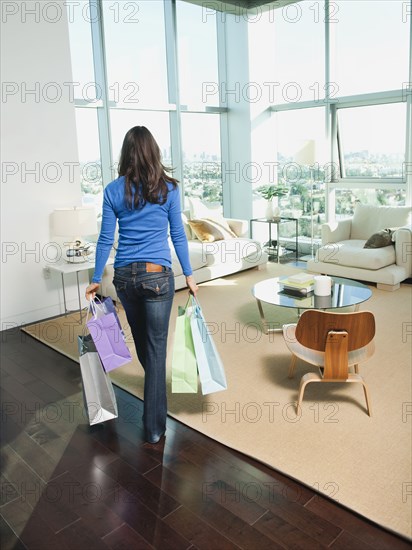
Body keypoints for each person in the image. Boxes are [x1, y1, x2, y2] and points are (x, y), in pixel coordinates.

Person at [85, 126, 198, 444]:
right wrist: (188, 274)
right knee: (156, 349)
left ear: (126, 154)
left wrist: (96, 279)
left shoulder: (112, 190)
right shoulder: (169, 189)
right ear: (154, 153)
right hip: (157, 278)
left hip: (124, 278)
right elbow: (178, 235)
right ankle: (154, 428)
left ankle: (155, 403)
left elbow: (106, 238)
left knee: (145, 346)